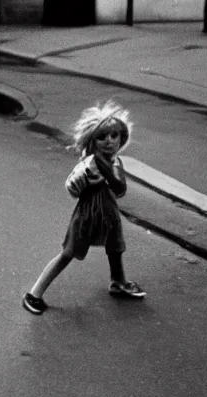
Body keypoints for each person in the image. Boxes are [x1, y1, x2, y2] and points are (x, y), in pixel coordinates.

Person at [23, 100, 146, 315]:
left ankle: (118, 281)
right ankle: (34, 294)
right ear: (92, 140)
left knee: (116, 247)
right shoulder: (88, 164)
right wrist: (83, 179)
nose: (109, 141)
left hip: (109, 213)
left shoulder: (116, 163)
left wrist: (111, 178)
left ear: (121, 138)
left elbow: (119, 190)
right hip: (87, 215)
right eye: (102, 137)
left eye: (114, 136)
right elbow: (72, 187)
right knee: (68, 253)